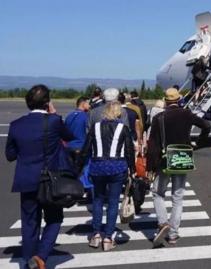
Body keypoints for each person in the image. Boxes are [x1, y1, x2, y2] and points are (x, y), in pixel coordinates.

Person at [5, 84, 74, 269]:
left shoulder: (16, 125)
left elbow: (10, 155)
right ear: (47, 102)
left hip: (26, 180)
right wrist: (54, 114)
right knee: (54, 219)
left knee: (29, 223)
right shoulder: (53, 121)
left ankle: (29, 262)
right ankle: (41, 256)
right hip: (50, 180)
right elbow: (69, 136)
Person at [147, 88, 211, 246]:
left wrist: (151, 166)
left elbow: (153, 144)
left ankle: (163, 223)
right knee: (178, 197)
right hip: (183, 157)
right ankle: (174, 234)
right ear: (179, 99)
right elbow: (207, 125)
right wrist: (198, 144)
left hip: (164, 159)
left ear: (166, 101)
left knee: (158, 193)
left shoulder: (159, 117)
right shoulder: (187, 114)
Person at [80, 101, 136, 251]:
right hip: (117, 167)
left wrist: (78, 167)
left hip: (97, 167)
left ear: (105, 112)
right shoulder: (123, 128)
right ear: (119, 113)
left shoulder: (95, 127)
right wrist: (132, 169)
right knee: (113, 202)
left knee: (97, 200)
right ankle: (108, 238)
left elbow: (85, 149)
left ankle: (96, 234)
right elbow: (130, 151)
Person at [65, 97, 92, 192]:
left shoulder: (69, 115)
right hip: (81, 146)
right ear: (83, 104)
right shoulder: (86, 116)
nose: (89, 105)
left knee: (72, 169)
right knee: (85, 168)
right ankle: (84, 188)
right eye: (88, 103)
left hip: (69, 146)